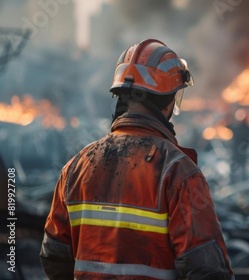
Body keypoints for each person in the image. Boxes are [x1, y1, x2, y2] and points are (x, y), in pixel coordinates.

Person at [40, 39, 234, 280]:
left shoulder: (77, 167)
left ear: (121, 97)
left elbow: (53, 256)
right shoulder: (178, 173)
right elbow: (207, 271)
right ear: (168, 102)